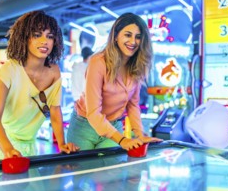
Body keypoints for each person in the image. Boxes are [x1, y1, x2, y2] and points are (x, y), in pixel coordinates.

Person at [0, 10, 79, 161]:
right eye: (37, 35)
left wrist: (62, 144)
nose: (44, 41)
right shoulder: (9, 70)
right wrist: (8, 150)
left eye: (50, 36)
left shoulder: (54, 72)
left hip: (29, 146)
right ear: (25, 38)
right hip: (1, 144)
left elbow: (54, 110)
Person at [66, 12, 162, 151]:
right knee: (84, 172)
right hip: (84, 125)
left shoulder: (137, 66)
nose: (133, 41)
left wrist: (140, 134)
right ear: (116, 36)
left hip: (113, 126)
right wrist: (122, 140)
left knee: (109, 172)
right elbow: (93, 113)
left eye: (138, 37)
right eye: (128, 35)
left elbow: (133, 105)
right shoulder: (98, 62)